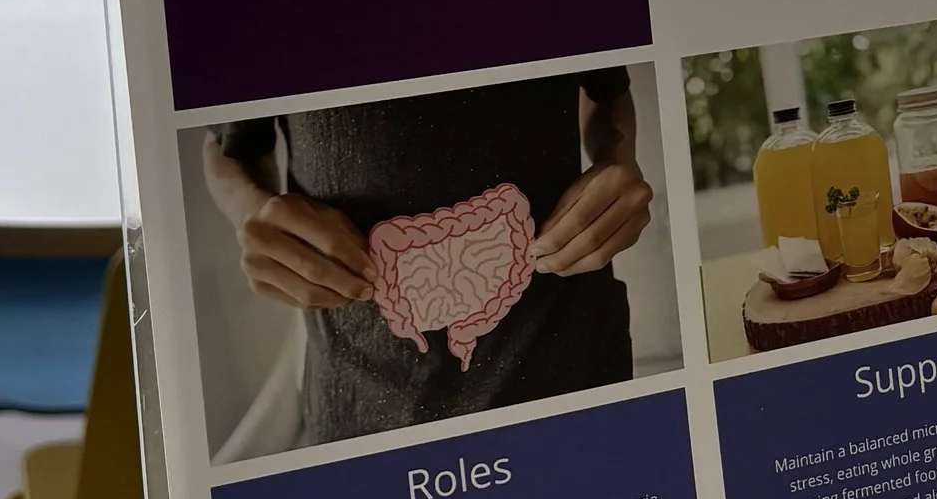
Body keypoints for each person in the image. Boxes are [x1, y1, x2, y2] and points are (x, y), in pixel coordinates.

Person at [203, 70, 652, 446]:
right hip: (360, 403)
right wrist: (251, 212)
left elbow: (608, 92)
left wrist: (617, 159)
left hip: (570, 372)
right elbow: (229, 144)